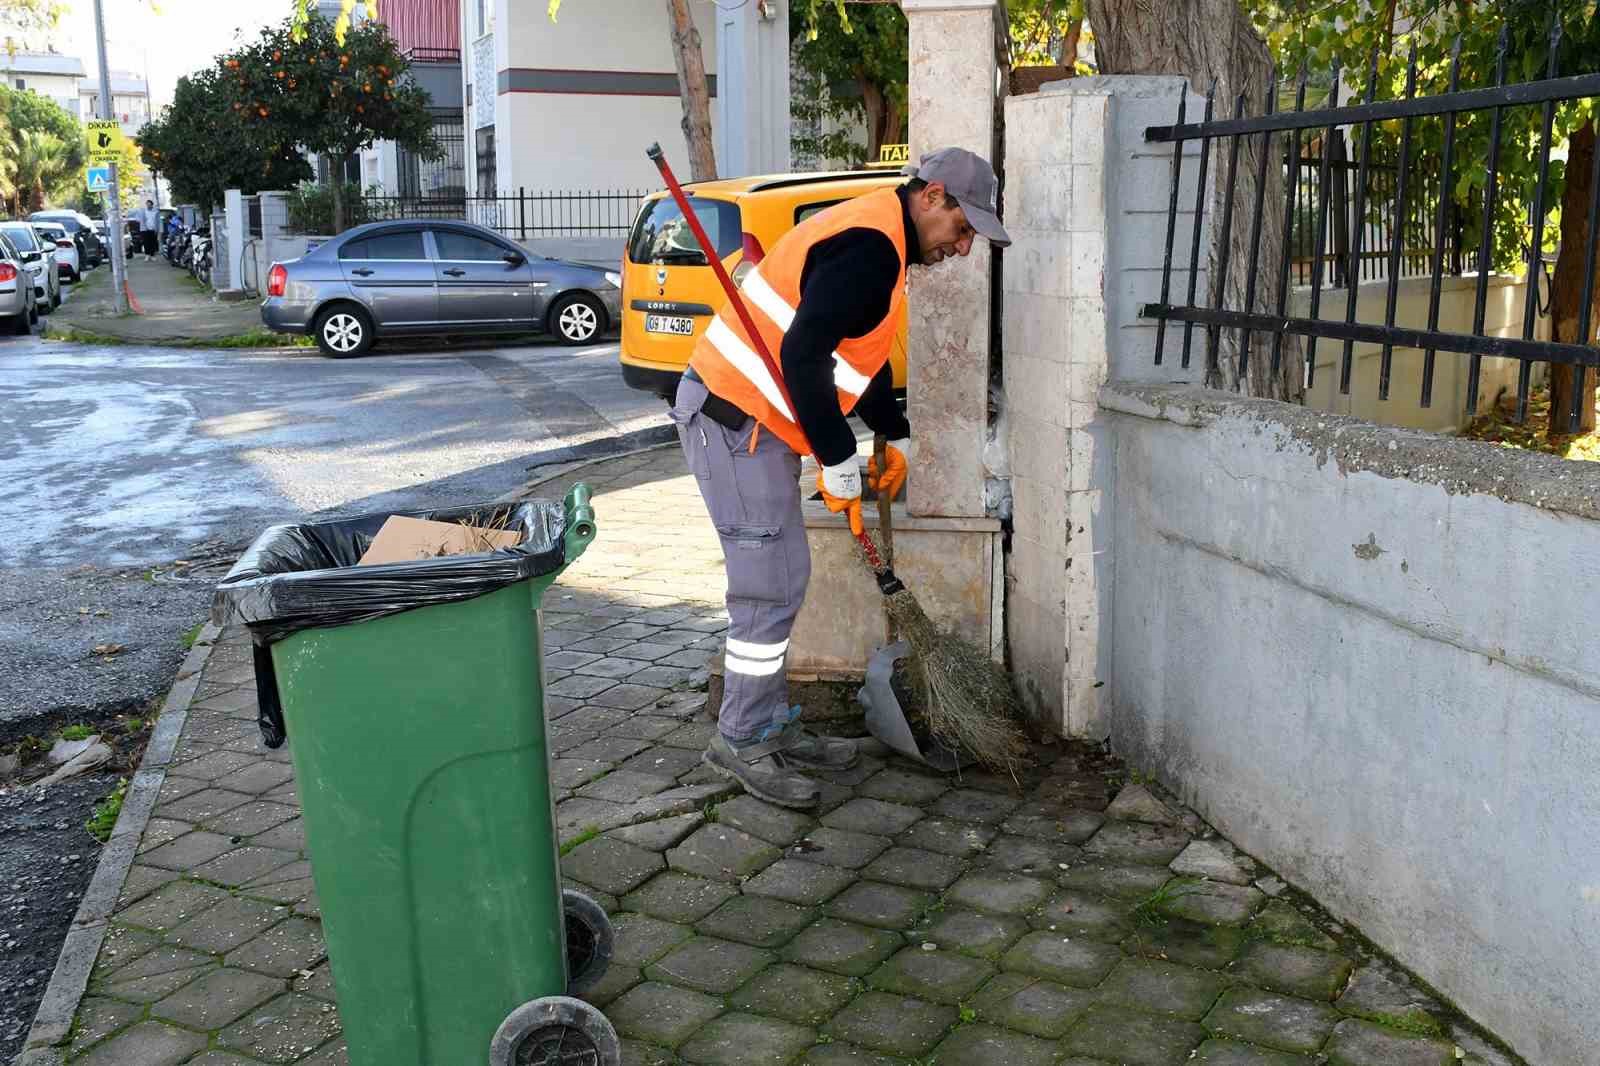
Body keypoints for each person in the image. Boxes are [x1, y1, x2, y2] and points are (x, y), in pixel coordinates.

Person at [671, 147, 1012, 809]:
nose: (965, 247)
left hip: (755, 422)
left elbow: (857, 349)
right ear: (933, 195)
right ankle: (739, 739)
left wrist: (893, 429)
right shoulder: (871, 245)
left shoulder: (882, 235)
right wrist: (836, 457)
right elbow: (801, 354)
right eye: (963, 228)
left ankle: (766, 725)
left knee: (786, 580)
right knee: (766, 590)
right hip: (733, 420)